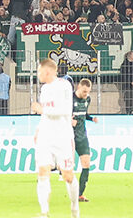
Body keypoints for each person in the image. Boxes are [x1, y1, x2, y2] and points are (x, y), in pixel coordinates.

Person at [31, 57, 80, 218]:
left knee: (67, 175)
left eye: (39, 71)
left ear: (47, 71)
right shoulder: (44, 89)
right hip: (46, 136)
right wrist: (38, 129)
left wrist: (42, 110)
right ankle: (44, 212)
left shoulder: (64, 86)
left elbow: (65, 110)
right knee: (43, 171)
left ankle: (74, 208)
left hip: (63, 137)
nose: (38, 74)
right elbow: (45, 113)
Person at [72, 77, 95, 202]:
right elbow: (60, 115)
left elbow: (84, 114)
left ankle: (79, 195)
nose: (86, 94)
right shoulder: (69, 99)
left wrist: (91, 119)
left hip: (81, 136)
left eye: (88, 92)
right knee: (66, 168)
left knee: (86, 164)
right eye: (84, 92)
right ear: (79, 87)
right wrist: (68, 120)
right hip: (68, 136)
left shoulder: (88, 99)